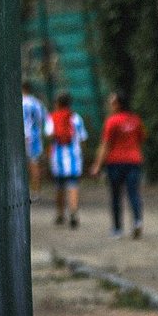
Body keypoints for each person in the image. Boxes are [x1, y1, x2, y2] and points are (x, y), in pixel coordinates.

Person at [91, 91, 146, 239]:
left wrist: (97, 165)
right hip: (134, 161)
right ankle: (137, 221)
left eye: (112, 102)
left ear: (119, 104)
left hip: (115, 163)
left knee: (116, 195)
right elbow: (142, 138)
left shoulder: (112, 121)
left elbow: (105, 145)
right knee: (133, 193)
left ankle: (117, 229)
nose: (110, 104)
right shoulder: (136, 120)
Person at [45, 92, 88, 228]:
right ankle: (73, 213)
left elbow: (50, 136)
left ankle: (59, 214)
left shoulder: (52, 117)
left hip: (57, 158)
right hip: (74, 157)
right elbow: (82, 138)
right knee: (73, 185)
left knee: (59, 186)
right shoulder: (76, 118)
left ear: (57, 103)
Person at [22, 81, 48, 198]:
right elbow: (44, 120)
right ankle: (35, 192)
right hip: (34, 137)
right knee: (34, 164)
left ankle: (21, 190)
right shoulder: (37, 103)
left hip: (20, 137)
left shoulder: (19, 102)